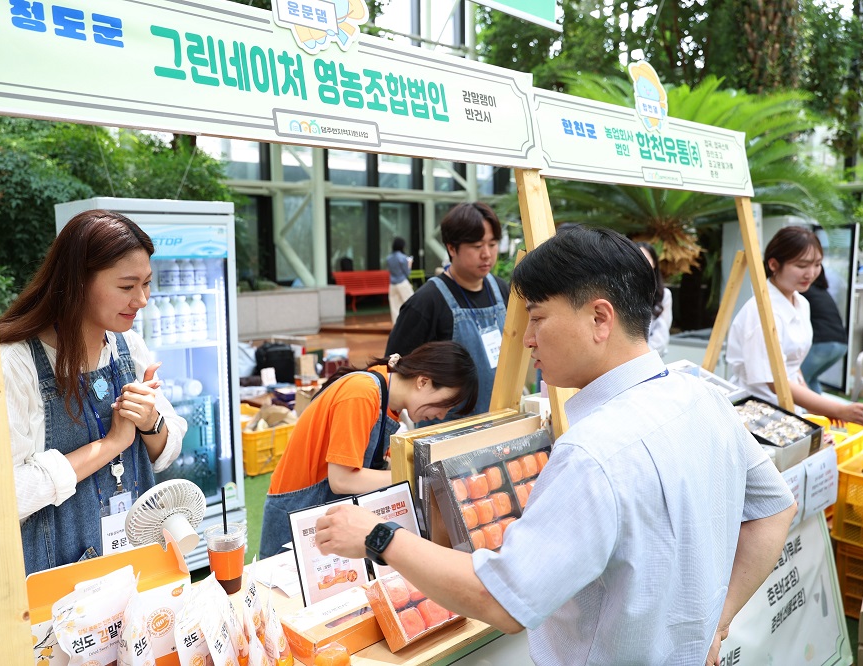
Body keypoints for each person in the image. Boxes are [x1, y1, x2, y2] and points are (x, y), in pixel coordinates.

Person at [314, 226, 796, 665]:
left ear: (600, 318)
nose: (527, 339)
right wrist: (717, 620)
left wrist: (380, 538)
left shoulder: (593, 453)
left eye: (538, 317)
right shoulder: (703, 398)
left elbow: (502, 600)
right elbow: (775, 508)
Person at [0, 210, 187, 575]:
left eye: (147, 283)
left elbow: (168, 449)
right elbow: (8, 495)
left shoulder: (127, 345)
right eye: (127, 287)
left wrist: (151, 422)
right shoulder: (15, 363)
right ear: (77, 283)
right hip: (58, 582)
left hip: (134, 562)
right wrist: (112, 444)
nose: (142, 299)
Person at [258, 341, 477, 559]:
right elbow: (342, 480)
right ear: (423, 381)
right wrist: (417, 476)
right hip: (297, 514)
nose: (441, 415)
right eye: (444, 405)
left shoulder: (387, 403)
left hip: (322, 514)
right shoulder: (362, 392)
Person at [727, 226, 863, 427]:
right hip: (756, 412)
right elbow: (774, 382)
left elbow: (793, 365)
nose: (811, 273)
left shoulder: (801, 303)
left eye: (817, 264)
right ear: (773, 264)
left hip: (786, 409)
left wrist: (815, 408)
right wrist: (836, 409)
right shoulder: (760, 312)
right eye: (801, 265)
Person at [386, 202, 508, 419]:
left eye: (492, 244)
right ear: (452, 248)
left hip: (499, 422)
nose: (487, 254)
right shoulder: (426, 302)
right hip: (444, 430)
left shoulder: (502, 290)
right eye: (477, 246)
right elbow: (392, 371)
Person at [799, 266, 848, 393]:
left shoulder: (804, 292)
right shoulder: (822, 292)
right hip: (841, 344)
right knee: (811, 379)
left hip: (823, 343)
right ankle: (818, 405)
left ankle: (805, 407)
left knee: (799, 380)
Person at [636, 241, 672, 356]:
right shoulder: (621, 291)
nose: (642, 264)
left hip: (651, 357)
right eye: (638, 259)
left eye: (646, 259)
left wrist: (642, 357)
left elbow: (661, 335)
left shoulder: (664, 295)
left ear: (654, 263)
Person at [386, 236, 415, 324]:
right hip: (402, 283)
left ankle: (397, 326)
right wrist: (409, 264)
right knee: (412, 303)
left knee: (395, 306)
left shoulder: (389, 258)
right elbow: (407, 273)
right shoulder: (403, 257)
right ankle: (412, 323)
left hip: (392, 284)